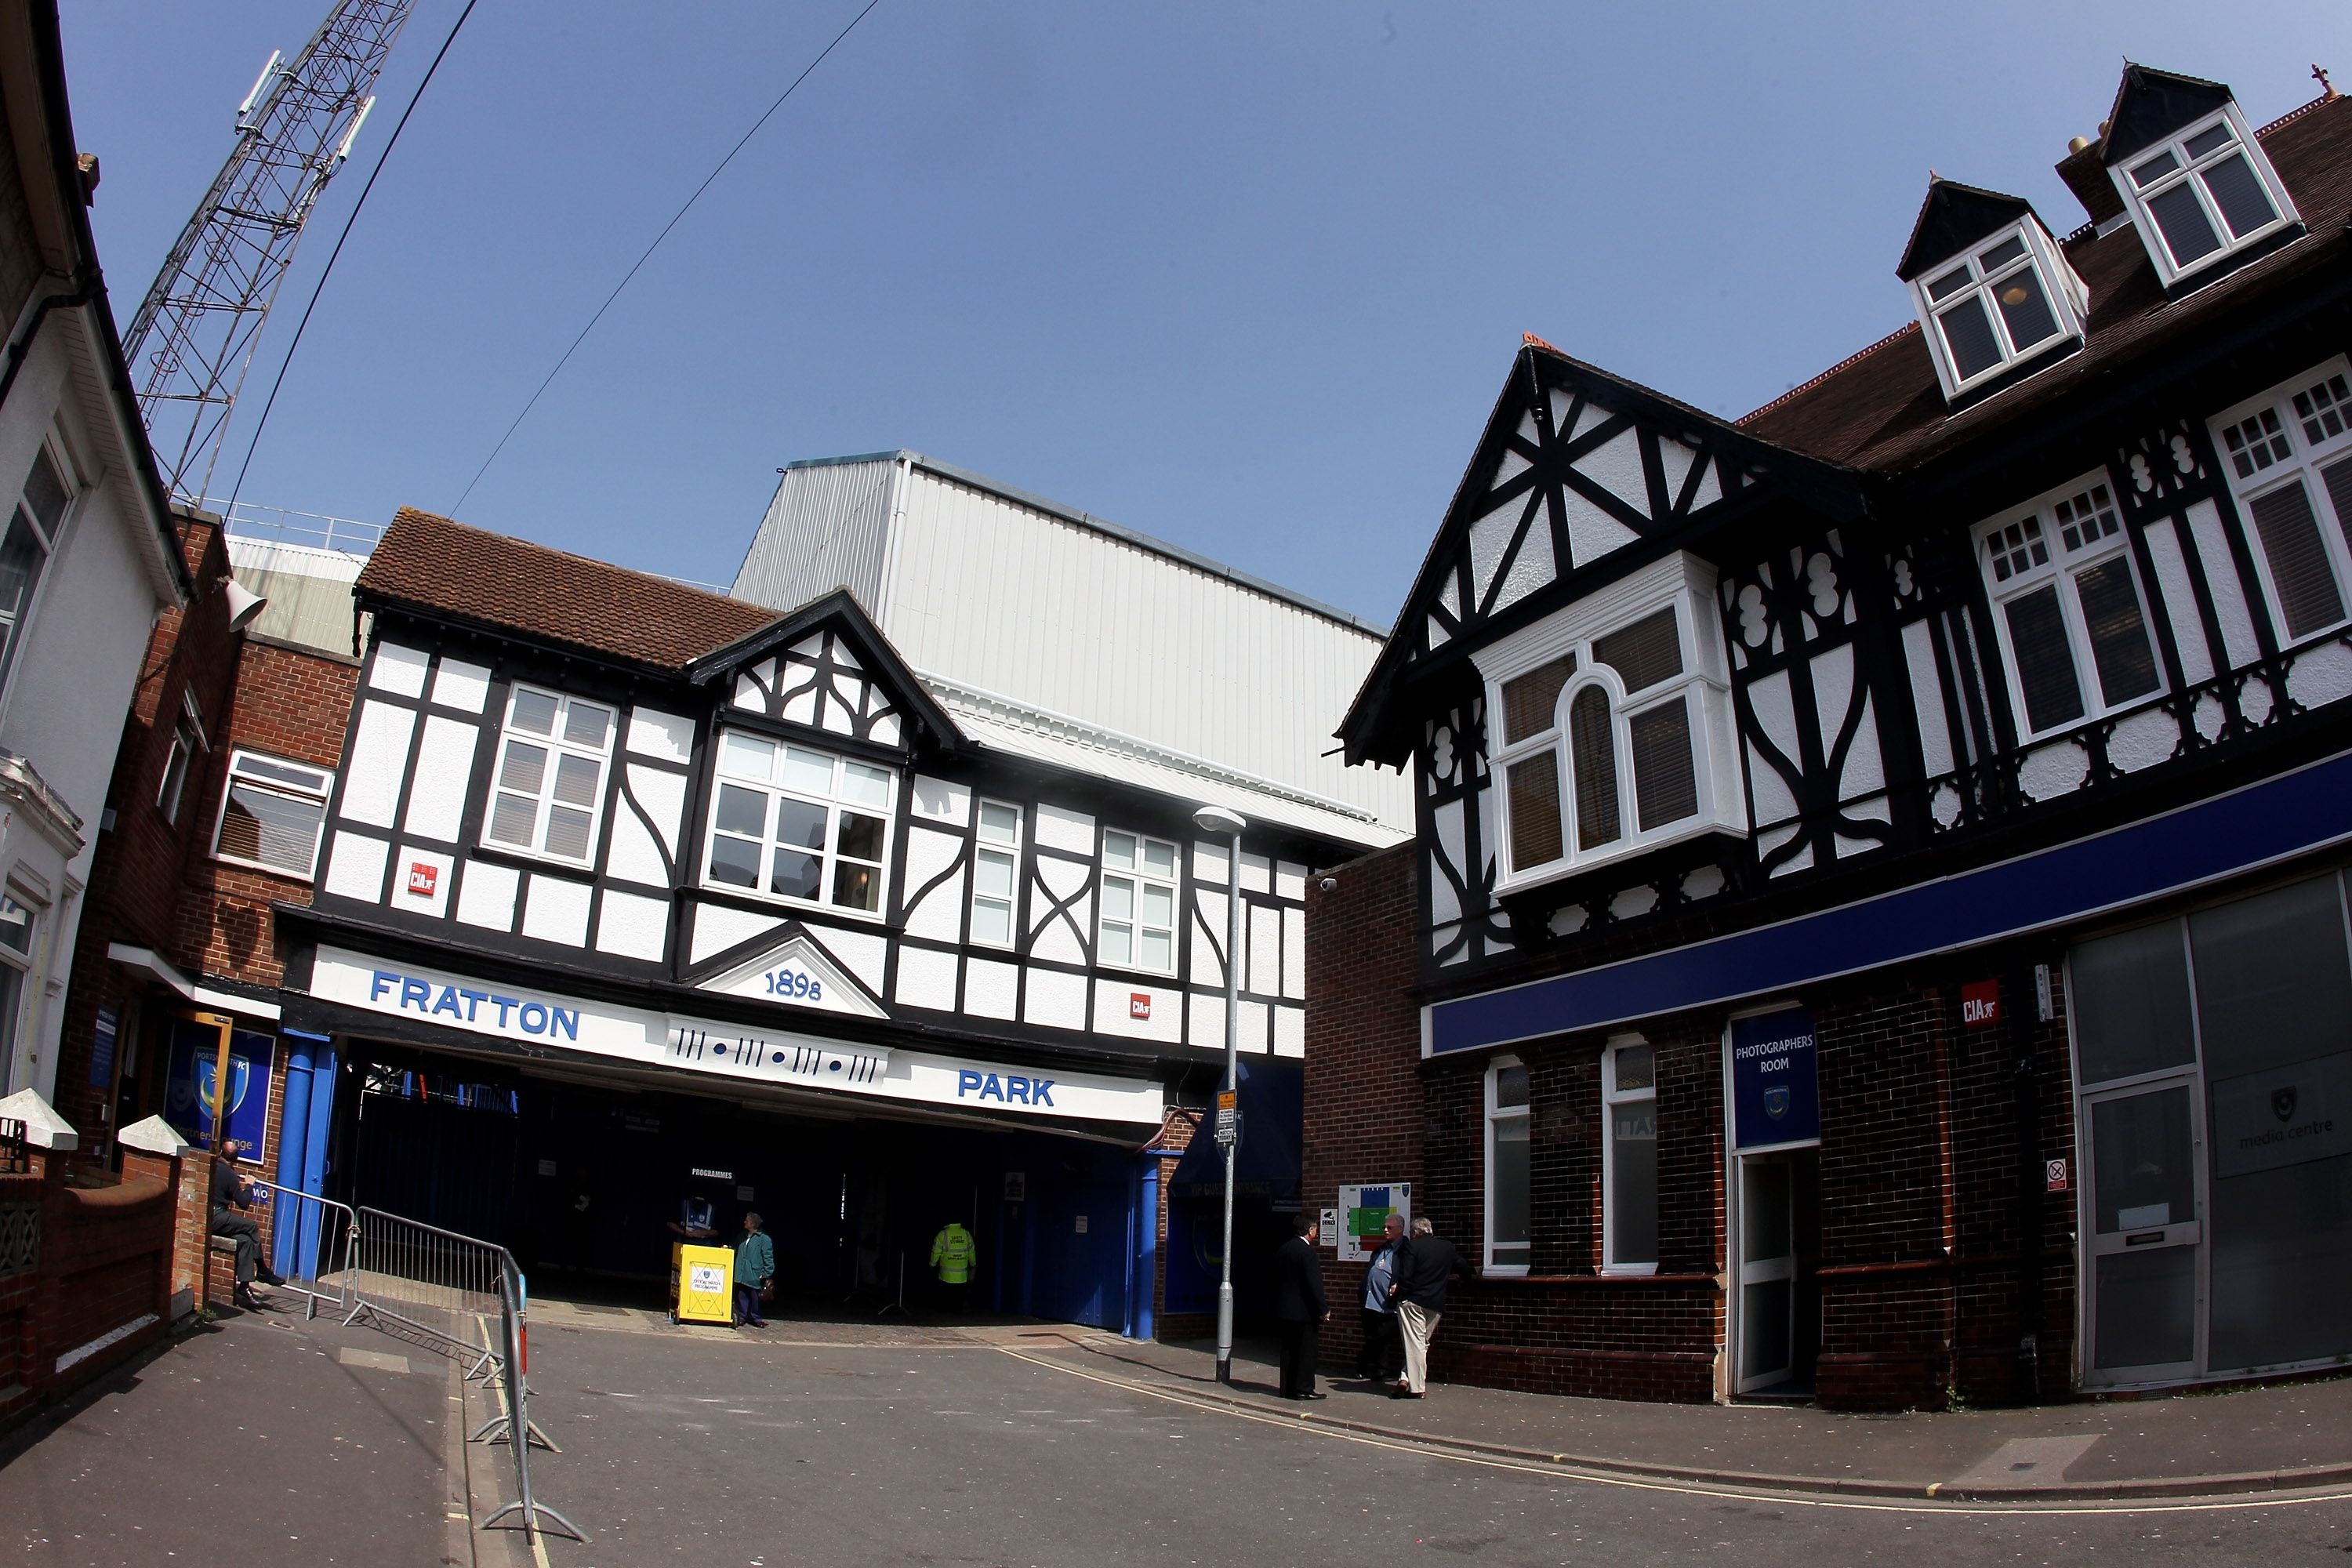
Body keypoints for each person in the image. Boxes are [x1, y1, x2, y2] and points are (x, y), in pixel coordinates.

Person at [1387, 1214, 1466, 1399]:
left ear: (1415, 1232)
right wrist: (1468, 1279)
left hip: (1413, 1302)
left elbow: (1406, 1276)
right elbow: (1462, 1265)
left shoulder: (1412, 1247)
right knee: (1421, 1344)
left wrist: (1401, 1294)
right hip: (1436, 1304)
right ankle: (1405, 1378)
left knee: (1415, 1344)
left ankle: (1416, 1389)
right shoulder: (1447, 1247)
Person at [209, 1139, 281, 1309]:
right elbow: (244, 1203)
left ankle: (244, 1287)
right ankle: (262, 1269)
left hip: (212, 1215)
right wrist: (249, 1186)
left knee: (246, 1241)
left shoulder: (213, 1165)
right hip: (217, 1215)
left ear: (220, 1153)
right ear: (236, 1159)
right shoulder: (229, 1174)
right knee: (252, 1226)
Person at [1272, 1213, 1330, 1400]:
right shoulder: (1307, 1252)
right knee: (1306, 1351)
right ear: (1311, 1230)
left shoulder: (1284, 1249)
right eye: (1316, 1228)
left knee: (1288, 1350)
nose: (1317, 1232)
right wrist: (1323, 1309)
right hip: (1304, 1312)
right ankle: (1304, 1389)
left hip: (1286, 1310)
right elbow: (1314, 1284)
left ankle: (1287, 1388)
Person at [1356, 1212, 1406, 1382]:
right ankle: (1370, 1368)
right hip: (1370, 1301)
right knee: (1372, 1336)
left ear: (1400, 1229)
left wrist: (1398, 1284)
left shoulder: (1405, 1251)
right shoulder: (1381, 1249)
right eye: (1384, 1227)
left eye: (1390, 1228)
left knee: (1382, 1337)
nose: (1385, 1230)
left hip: (1388, 1303)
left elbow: (1407, 1272)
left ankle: (1380, 1369)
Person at [732, 1211, 775, 1328]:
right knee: (741, 1296)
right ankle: (742, 1317)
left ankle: (756, 1318)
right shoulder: (742, 1236)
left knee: (755, 1298)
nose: (744, 1222)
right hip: (741, 1273)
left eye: (747, 1220)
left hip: (754, 1274)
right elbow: (735, 1249)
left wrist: (766, 1273)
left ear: (752, 1223)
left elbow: (768, 1257)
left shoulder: (764, 1239)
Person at [928, 1218, 978, 1311]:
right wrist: (973, 1264)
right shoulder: (966, 1234)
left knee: (946, 1304)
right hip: (962, 1278)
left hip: (945, 1277)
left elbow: (935, 1253)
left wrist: (932, 1265)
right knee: (958, 1303)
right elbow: (971, 1253)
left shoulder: (943, 1235)